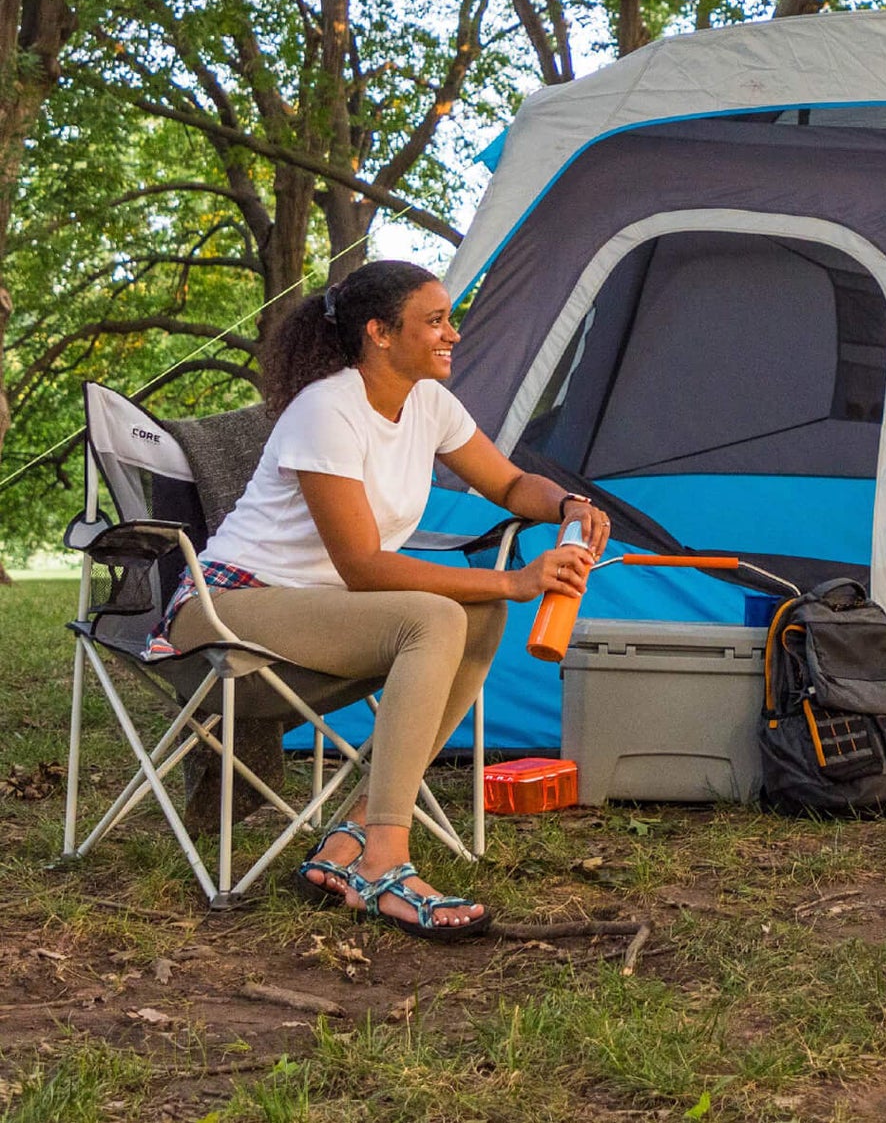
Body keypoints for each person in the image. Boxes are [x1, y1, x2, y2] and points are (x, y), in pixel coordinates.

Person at [161, 260, 611, 939]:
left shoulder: (427, 403)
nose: (452, 334)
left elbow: (515, 486)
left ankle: (350, 844)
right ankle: (387, 860)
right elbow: (365, 566)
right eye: (434, 321)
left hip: (318, 617)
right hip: (226, 614)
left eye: (448, 319)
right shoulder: (328, 409)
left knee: (478, 613)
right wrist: (518, 581)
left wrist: (569, 504)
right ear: (378, 332)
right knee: (436, 615)